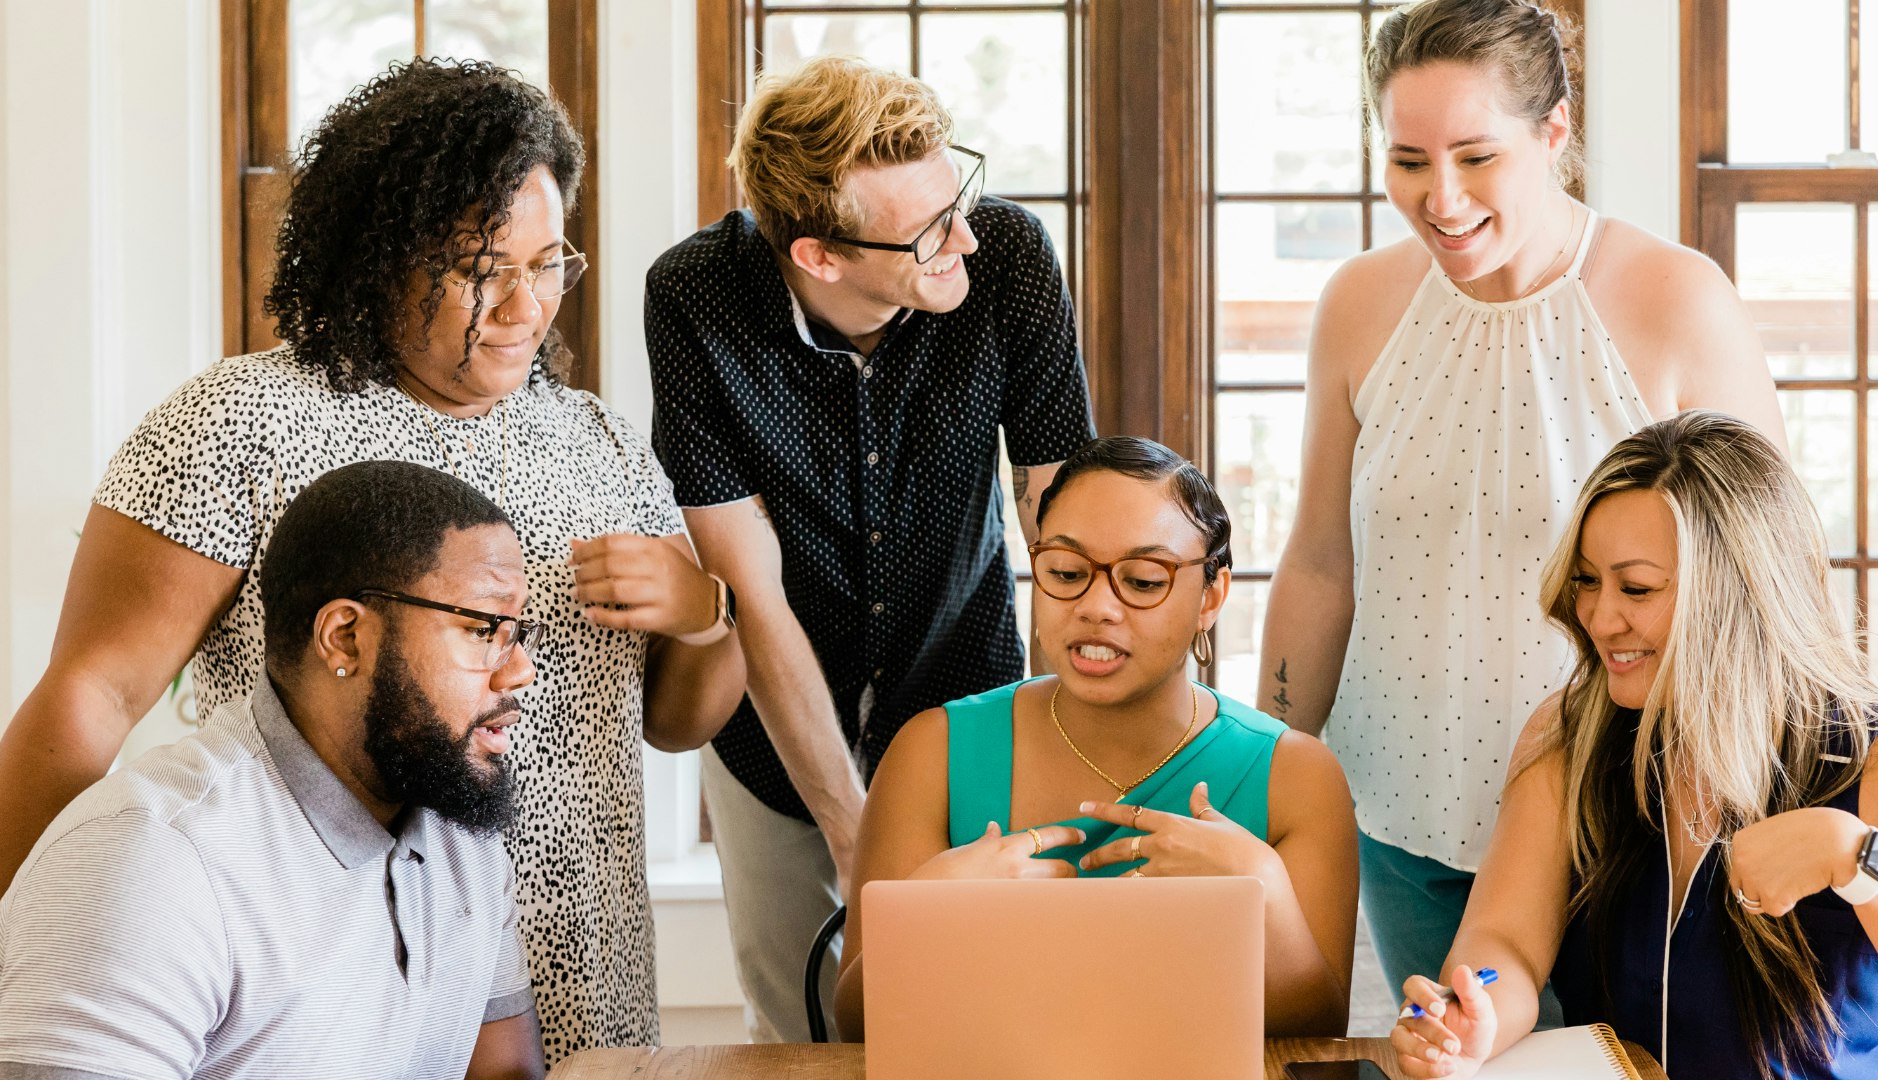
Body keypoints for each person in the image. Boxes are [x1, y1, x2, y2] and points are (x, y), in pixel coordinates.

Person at [0, 60, 744, 1059]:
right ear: (382, 257)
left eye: (550, 262)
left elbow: (677, 721)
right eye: (486, 270)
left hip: (581, 967)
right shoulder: (239, 422)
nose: (529, 307)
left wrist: (704, 612)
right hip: (338, 972)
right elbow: (91, 694)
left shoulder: (600, 443)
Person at [1254, 0, 1788, 1010]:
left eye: (1474, 156)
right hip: (1403, 820)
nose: (1440, 198)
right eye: (1408, 161)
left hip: (1625, 821)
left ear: (1553, 132)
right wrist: (1268, 769)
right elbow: (1322, 559)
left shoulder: (1676, 297)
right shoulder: (1359, 304)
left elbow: (1768, 574)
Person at [645, 56, 1094, 1042]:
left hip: (963, 693)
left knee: (978, 1021)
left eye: (957, 199)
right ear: (819, 255)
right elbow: (747, 587)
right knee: (803, 1027)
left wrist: (1079, 763)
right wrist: (855, 839)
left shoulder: (1009, 257)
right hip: (771, 729)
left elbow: (1066, 533)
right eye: (928, 231)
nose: (963, 238)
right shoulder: (697, 298)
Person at [1391, 412, 1878, 1079]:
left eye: (1635, 587)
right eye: (1588, 581)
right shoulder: (1569, 736)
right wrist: (1474, 1015)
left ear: (1739, 591)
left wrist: (1859, 860)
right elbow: (1508, 944)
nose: (1599, 617)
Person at [0, 461, 549, 1079]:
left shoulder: (462, 839)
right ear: (345, 637)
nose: (519, 669)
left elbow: (506, 1074)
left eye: (517, 630)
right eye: (481, 629)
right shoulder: (151, 859)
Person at [833, 436, 1358, 1040]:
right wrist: (928, 918)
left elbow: (1318, 1036)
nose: (1096, 606)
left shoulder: (1298, 777)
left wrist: (1262, 890)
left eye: (1141, 580)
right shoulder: (933, 752)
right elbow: (856, 1027)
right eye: (1066, 572)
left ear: (1211, 596)